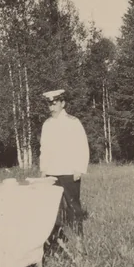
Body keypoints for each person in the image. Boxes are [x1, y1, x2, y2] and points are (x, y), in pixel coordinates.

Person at [38, 89, 90, 245]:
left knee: (73, 205)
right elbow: (44, 149)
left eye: (55, 104)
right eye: (49, 105)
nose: (52, 108)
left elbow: (82, 146)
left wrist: (79, 168)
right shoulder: (47, 124)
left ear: (62, 103)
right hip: (52, 172)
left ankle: (78, 237)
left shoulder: (73, 122)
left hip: (69, 171)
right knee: (54, 206)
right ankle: (57, 239)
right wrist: (43, 169)